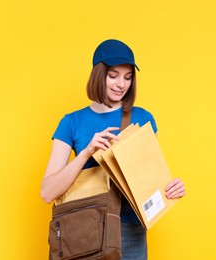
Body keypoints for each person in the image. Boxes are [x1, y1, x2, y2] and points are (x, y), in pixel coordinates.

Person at [40, 39, 186, 259]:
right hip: (86, 230)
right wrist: (87, 152)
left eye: (128, 77)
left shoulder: (143, 119)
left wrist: (170, 189)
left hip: (131, 233)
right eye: (113, 75)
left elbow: (149, 183)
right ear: (99, 74)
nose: (121, 84)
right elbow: (47, 192)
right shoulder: (72, 122)